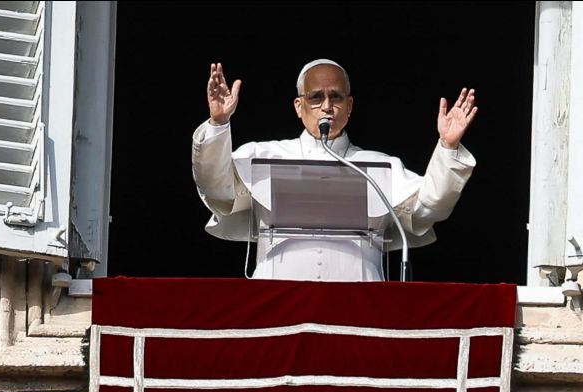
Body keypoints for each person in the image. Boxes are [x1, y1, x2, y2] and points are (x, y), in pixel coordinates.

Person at [191, 59, 477, 282]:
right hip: (279, 302)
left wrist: (447, 148)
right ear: (298, 105)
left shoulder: (380, 167)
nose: (326, 106)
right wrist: (218, 125)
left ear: (349, 106)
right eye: (316, 97)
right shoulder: (263, 156)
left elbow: (428, 208)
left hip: (359, 305)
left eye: (336, 97)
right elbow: (218, 190)